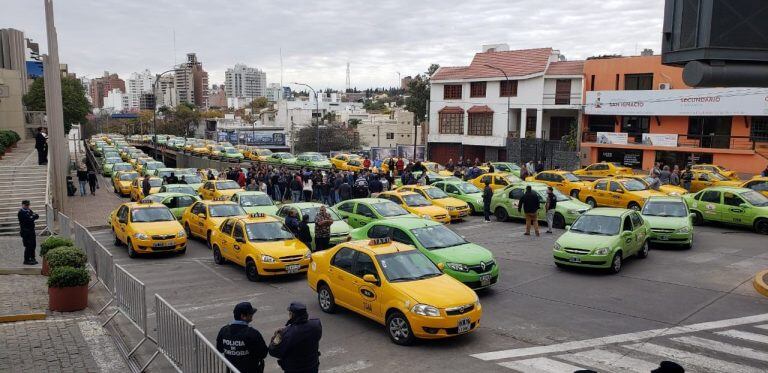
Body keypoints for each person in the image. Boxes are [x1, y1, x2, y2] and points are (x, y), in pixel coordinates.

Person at [269, 302, 322, 373]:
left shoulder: (287, 333)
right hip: (312, 366)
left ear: (292, 315)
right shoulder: (316, 324)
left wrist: (276, 337)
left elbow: (273, 351)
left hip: (295, 369)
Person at [216, 302, 268, 373]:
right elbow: (263, 353)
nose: (252, 315)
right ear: (243, 316)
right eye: (250, 314)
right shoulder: (252, 333)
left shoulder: (224, 330)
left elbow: (220, 349)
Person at [18, 200, 39, 265]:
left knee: (33, 245)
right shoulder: (21, 212)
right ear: (22, 205)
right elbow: (28, 220)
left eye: (28, 205)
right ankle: (26, 260)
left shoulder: (29, 210)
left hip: (31, 231)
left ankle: (32, 258)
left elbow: (36, 216)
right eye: (26, 205)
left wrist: (33, 217)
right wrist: (33, 217)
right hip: (26, 231)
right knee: (28, 245)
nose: (27, 206)